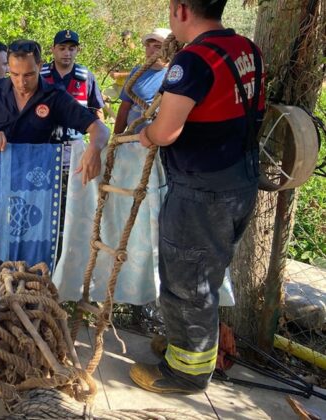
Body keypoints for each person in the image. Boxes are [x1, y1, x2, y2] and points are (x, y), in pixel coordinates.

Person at [131, 0, 264, 394]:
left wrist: (148, 133)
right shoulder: (246, 49)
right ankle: (185, 348)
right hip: (240, 181)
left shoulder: (191, 62)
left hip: (202, 189)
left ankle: (185, 373)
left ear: (181, 9)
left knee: (186, 280)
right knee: (206, 273)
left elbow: (166, 131)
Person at [0, 39, 110, 186]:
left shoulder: (54, 96)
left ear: (39, 66)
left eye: (28, 75)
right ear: (8, 67)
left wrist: (94, 150)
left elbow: (101, 129)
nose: (21, 82)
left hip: (35, 184)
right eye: (15, 74)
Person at [114, 28, 172, 134]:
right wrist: (116, 137)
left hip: (159, 142)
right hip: (132, 139)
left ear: (170, 49)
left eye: (157, 47)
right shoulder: (137, 72)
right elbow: (124, 108)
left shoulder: (175, 74)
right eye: (148, 46)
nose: (150, 51)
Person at [41, 30, 105, 119]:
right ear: (53, 49)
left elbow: (97, 110)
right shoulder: (39, 74)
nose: (67, 53)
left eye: (71, 49)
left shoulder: (86, 76)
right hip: (43, 130)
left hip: (75, 131)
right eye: (62, 48)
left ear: (78, 50)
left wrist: (101, 131)